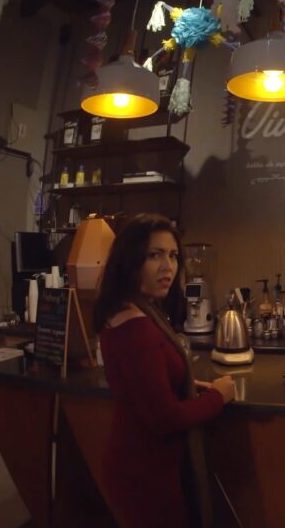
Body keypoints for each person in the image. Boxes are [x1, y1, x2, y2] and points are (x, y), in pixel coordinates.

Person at [93, 214, 236, 528]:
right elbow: (164, 418)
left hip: (137, 464)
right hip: (146, 474)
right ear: (131, 260)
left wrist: (187, 383)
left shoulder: (129, 308)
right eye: (155, 255)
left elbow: (143, 384)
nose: (167, 267)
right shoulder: (137, 328)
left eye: (172, 256)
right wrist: (219, 397)